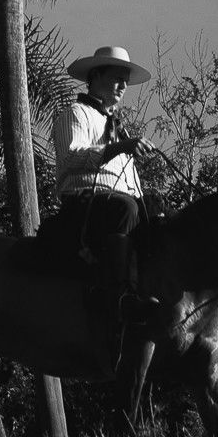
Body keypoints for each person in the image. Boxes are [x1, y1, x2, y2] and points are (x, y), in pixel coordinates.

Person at [53, 45, 161, 325]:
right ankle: (119, 297)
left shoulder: (117, 127)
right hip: (83, 202)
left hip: (116, 203)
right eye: (117, 78)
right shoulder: (76, 113)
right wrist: (119, 148)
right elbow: (69, 157)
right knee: (125, 208)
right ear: (96, 76)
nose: (123, 86)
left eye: (125, 81)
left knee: (158, 212)